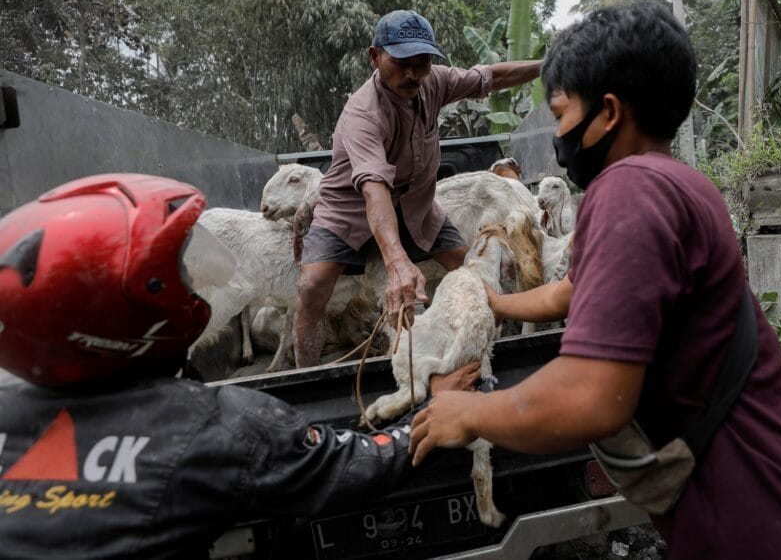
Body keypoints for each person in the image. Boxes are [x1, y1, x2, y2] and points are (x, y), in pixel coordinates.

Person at [408, 2, 781, 559]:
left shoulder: (626, 189)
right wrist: (496, 303)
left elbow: (592, 396)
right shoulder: (678, 183)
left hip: (767, 527)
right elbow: (573, 291)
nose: (558, 134)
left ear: (608, 112)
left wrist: (469, 413)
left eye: (561, 114)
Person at [0, 174, 479, 559]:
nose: (191, 288)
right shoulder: (216, 426)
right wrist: (435, 409)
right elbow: (354, 465)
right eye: (175, 278)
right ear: (124, 313)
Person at [294, 9, 541, 367]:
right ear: (374, 57)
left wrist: (547, 65)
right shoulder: (362, 113)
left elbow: (489, 76)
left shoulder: (434, 81)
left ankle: (483, 360)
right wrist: (397, 264)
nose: (412, 73)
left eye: (421, 62)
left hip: (417, 208)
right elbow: (374, 189)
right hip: (349, 210)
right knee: (311, 288)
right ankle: (306, 380)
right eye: (401, 62)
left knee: (476, 270)